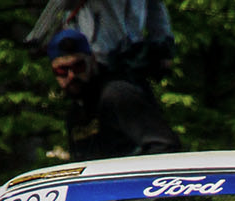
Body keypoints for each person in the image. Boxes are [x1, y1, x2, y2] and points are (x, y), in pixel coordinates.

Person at [47, 29, 181, 160]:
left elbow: (165, 146)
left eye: (78, 67)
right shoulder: (75, 113)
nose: (71, 75)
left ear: (92, 61)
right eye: (62, 70)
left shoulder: (117, 95)